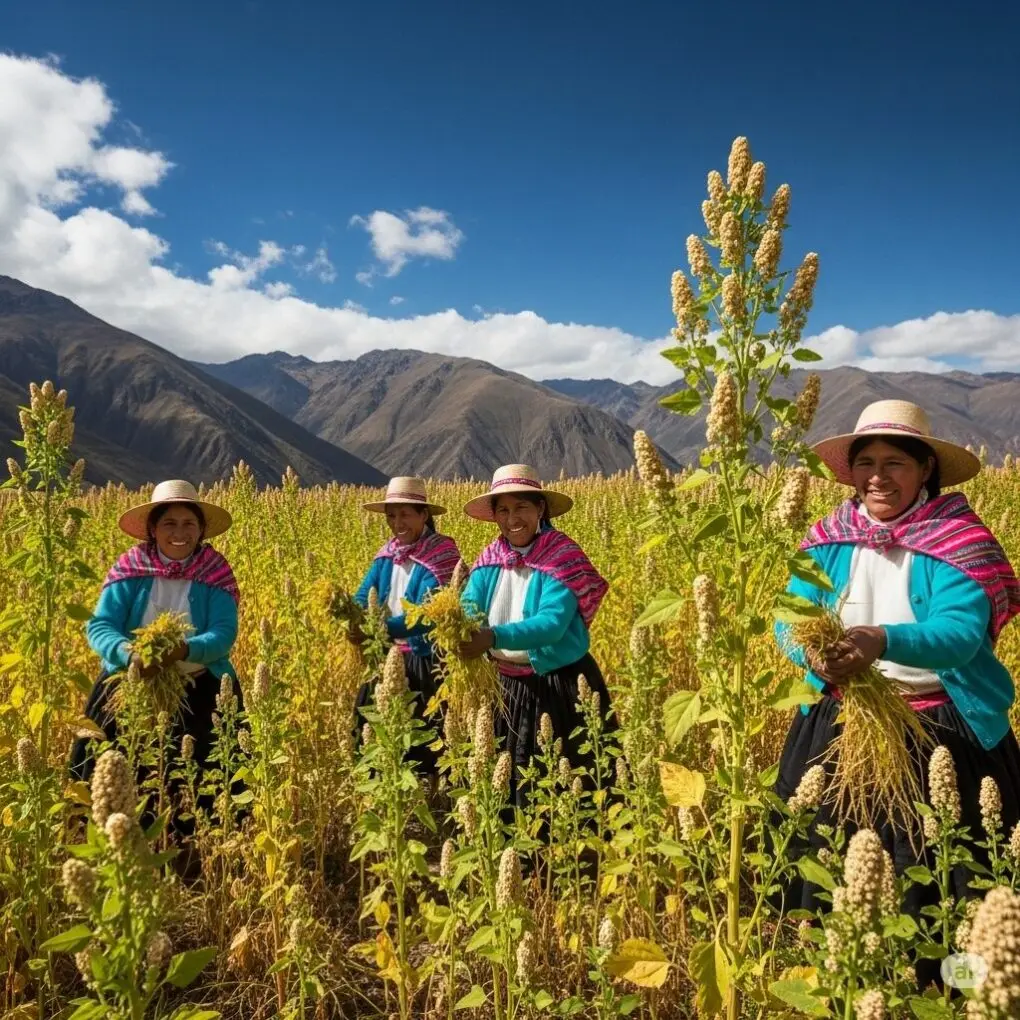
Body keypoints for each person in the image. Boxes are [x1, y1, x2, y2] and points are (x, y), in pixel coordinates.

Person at [775, 401, 1020, 941]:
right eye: (866, 463)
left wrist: (882, 639)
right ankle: (840, 966)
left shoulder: (958, 540)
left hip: (938, 730)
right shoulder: (829, 537)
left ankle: (942, 975)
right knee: (828, 864)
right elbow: (788, 616)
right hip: (841, 722)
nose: (878, 477)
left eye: (895, 463)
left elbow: (960, 633)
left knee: (937, 873)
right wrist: (811, 656)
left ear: (925, 469)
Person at [71, 480, 241, 841]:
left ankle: (189, 851)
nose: (179, 533)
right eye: (169, 523)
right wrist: (129, 654)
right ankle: (109, 844)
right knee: (104, 770)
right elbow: (101, 625)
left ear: (201, 530)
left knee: (200, 780)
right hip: (129, 683)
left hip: (197, 688)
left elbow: (223, 633)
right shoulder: (130, 567)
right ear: (153, 528)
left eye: (189, 523)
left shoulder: (215, 571)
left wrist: (182, 650)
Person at [458, 464, 612, 809]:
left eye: (521, 507)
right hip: (505, 688)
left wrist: (492, 637)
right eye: (503, 510)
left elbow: (551, 624)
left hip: (558, 686)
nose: (512, 518)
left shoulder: (562, 556)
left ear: (540, 508)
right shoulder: (490, 559)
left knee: (563, 783)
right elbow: (469, 605)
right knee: (508, 780)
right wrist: (459, 629)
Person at [350, 477, 461, 775]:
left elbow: (426, 615)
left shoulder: (442, 554)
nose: (397, 523)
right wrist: (352, 617)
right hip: (384, 656)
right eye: (391, 515)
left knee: (420, 742)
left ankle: (427, 796)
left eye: (405, 514)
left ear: (424, 515)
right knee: (375, 736)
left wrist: (380, 628)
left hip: (424, 661)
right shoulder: (386, 555)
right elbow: (364, 595)